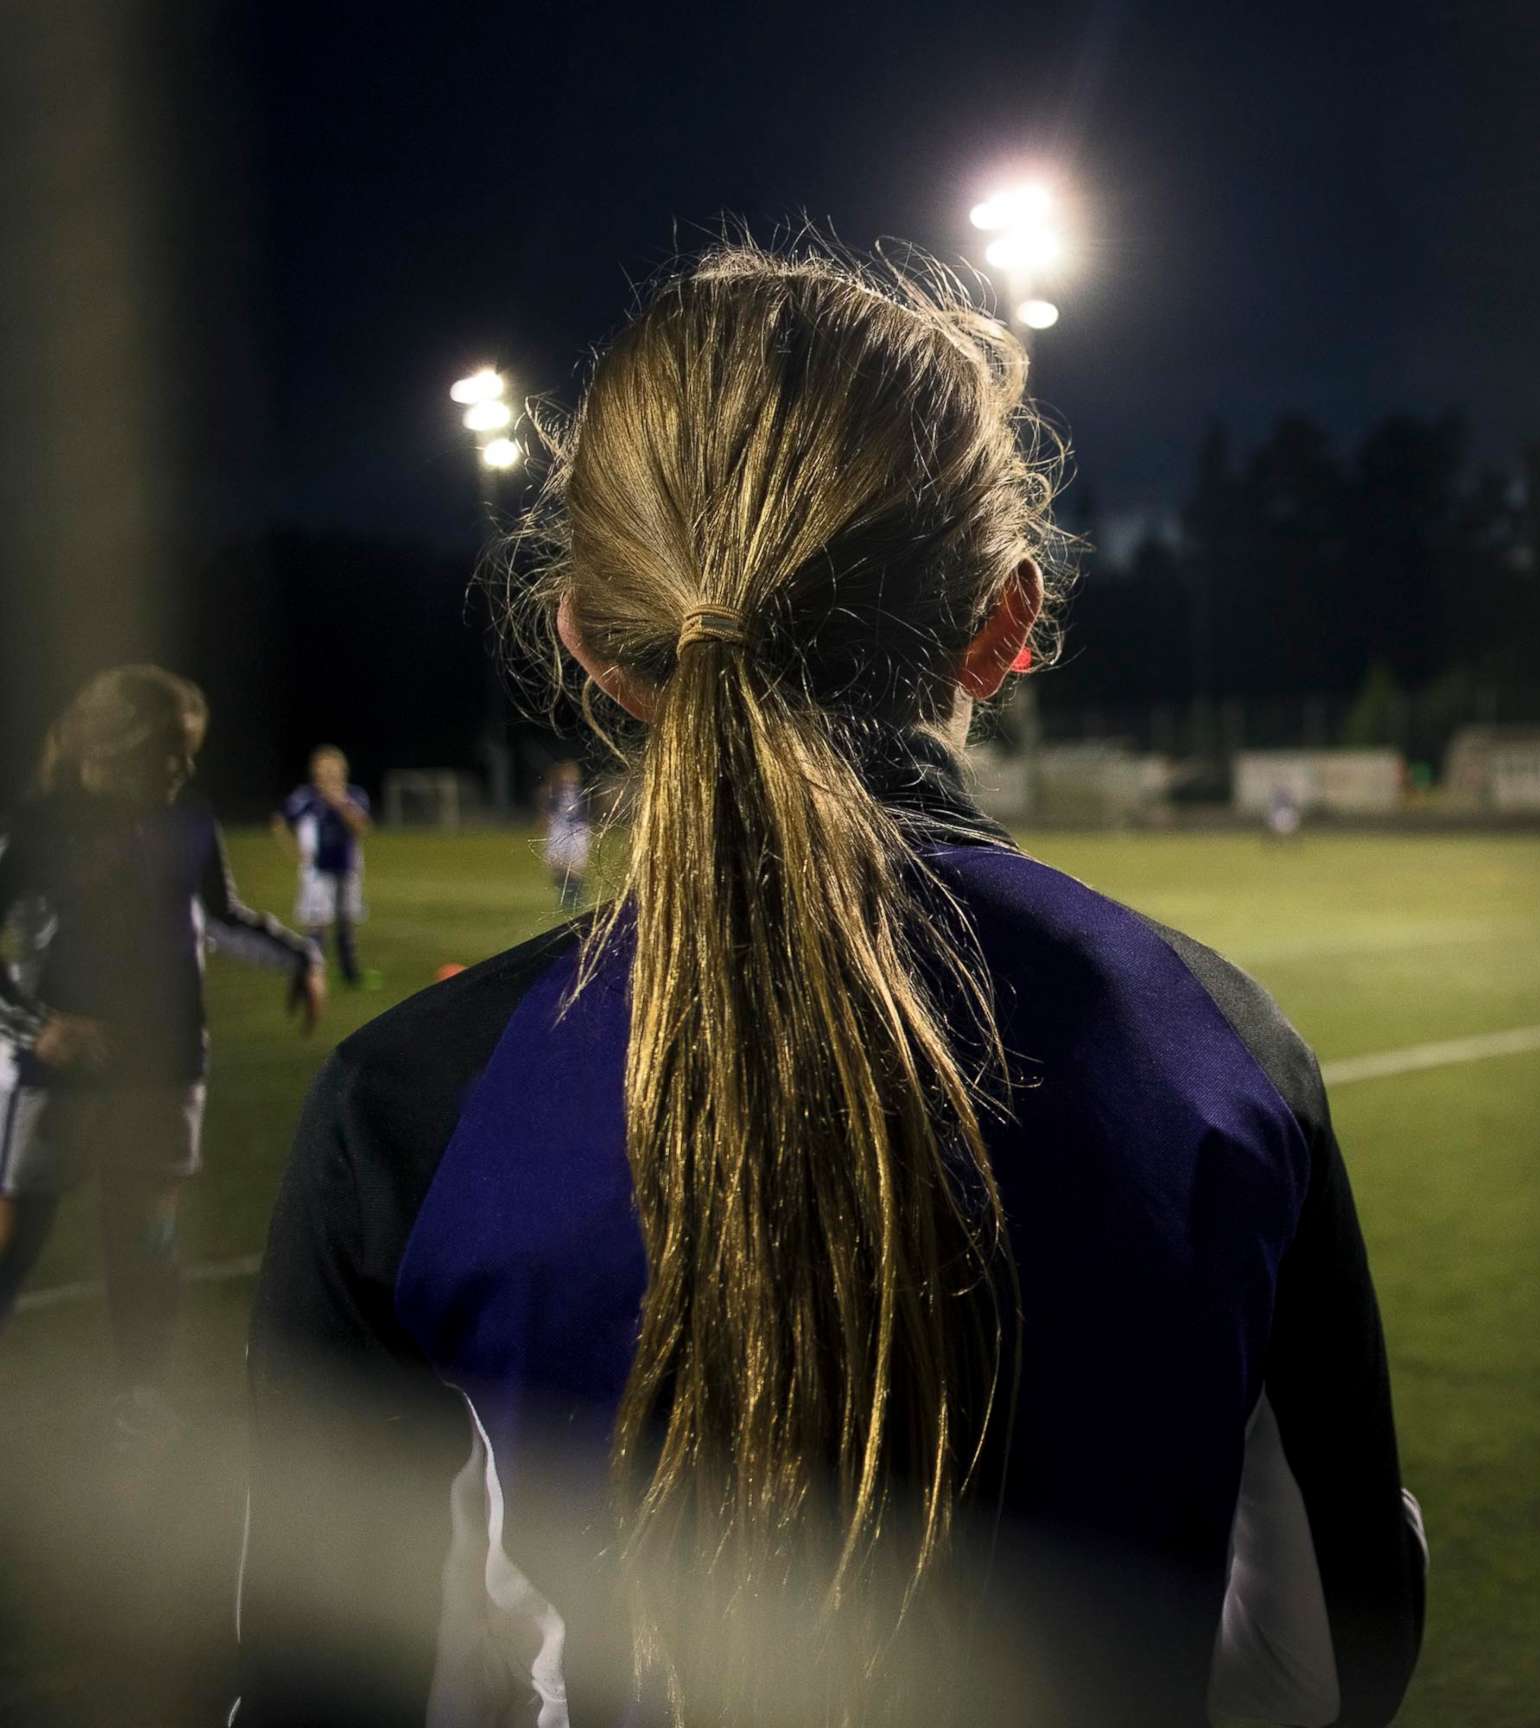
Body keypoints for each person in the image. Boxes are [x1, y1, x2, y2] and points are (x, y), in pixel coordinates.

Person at [236, 246, 1425, 1727]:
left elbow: (319, 1686)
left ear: (593, 643)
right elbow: (1329, 1660)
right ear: (1005, 625)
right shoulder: (1217, 1056)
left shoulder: (412, 1112)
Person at [0, 666, 323, 1452]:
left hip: (170, 1065)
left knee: (147, 1239)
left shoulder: (188, 822)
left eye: (189, 756)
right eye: (168, 754)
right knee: (18, 1234)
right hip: (56, 1072)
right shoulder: (43, 830)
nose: (182, 773)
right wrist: (38, 1027)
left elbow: (219, 917)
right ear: (109, 749)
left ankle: (138, 1397)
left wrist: (298, 956)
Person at [274, 745, 374, 988]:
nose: (329, 775)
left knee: (346, 922)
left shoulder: (354, 796)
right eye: (323, 770)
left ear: (343, 770)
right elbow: (279, 821)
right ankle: (312, 974)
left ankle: (351, 975)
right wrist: (293, 850)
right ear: (315, 773)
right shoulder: (306, 798)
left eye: (333, 769)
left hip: (348, 867)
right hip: (317, 871)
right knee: (317, 923)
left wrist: (340, 804)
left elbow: (362, 828)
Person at [538, 758, 594, 908]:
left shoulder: (581, 791)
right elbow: (547, 810)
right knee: (557, 865)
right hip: (559, 830)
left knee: (574, 866)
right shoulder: (553, 792)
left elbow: (588, 810)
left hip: (577, 830)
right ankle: (568, 897)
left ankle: (575, 898)